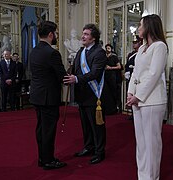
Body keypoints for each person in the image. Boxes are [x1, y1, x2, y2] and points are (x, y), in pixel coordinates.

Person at [126, 14, 168, 180]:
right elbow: (136, 72)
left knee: (151, 143)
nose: (138, 29)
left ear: (150, 26)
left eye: (141, 25)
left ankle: (151, 177)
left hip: (153, 100)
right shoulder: (142, 48)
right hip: (138, 99)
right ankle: (142, 175)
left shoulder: (160, 46)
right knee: (141, 142)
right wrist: (130, 92)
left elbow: (154, 74)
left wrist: (138, 96)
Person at [63, 24, 107, 164]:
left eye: (86, 34)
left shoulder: (99, 52)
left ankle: (100, 152)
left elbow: (95, 73)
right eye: (83, 33)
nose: (83, 36)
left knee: (96, 125)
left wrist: (76, 79)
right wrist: (68, 76)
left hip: (94, 95)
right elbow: (75, 70)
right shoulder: (80, 51)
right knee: (85, 124)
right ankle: (89, 147)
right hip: (82, 95)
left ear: (93, 38)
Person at [29, 21, 67, 170]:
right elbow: (61, 76)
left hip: (37, 96)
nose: (56, 36)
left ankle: (42, 158)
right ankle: (48, 160)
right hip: (48, 97)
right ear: (51, 34)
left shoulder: (34, 51)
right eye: (56, 33)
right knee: (48, 130)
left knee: (40, 128)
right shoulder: (52, 53)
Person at [124, 35, 143, 120]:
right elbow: (127, 64)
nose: (133, 44)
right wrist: (126, 72)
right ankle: (132, 112)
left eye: (135, 43)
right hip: (131, 77)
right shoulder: (131, 54)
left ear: (140, 42)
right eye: (133, 43)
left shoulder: (141, 53)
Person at [104, 43, 121, 115]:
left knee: (113, 91)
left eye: (109, 48)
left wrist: (110, 68)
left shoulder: (114, 57)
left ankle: (115, 108)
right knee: (106, 92)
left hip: (112, 76)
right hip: (105, 76)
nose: (107, 50)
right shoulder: (104, 57)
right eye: (106, 48)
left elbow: (119, 67)